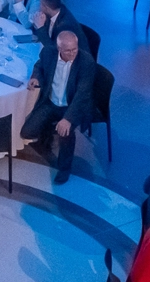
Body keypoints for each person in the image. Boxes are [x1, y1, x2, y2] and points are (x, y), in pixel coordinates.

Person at [21, 28, 95, 184]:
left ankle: (64, 168)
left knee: (65, 133)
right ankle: (48, 134)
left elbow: (83, 94)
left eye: (75, 49)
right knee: (27, 132)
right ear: (59, 48)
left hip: (71, 106)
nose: (73, 53)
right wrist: (36, 77)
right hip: (50, 102)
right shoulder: (49, 53)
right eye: (68, 51)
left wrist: (68, 119)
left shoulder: (86, 62)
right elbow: (39, 66)